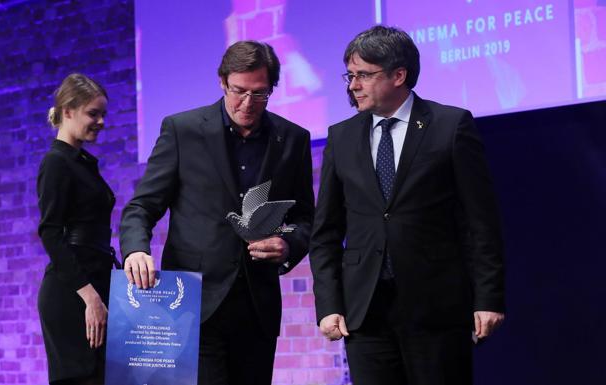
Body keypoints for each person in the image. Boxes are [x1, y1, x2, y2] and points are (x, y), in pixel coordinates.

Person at [310, 26, 505, 385]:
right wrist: (328, 304)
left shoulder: (450, 125)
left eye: (364, 75)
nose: (353, 85)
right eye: (351, 76)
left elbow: (481, 221)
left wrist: (488, 297)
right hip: (365, 311)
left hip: (436, 307)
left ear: (399, 75)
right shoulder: (342, 136)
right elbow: (325, 232)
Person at [120, 41, 314, 385]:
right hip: (193, 304)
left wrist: (288, 246)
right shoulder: (183, 130)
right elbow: (142, 206)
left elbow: (305, 221)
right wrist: (136, 248)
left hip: (257, 307)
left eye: (260, 94)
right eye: (239, 91)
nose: (247, 103)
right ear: (222, 81)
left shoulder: (292, 139)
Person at [37, 73, 118, 385]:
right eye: (93, 113)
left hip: (95, 281)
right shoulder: (56, 162)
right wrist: (91, 298)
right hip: (74, 295)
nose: (100, 122)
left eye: (103, 114)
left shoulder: (81, 161)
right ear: (67, 111)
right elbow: (49, 233)